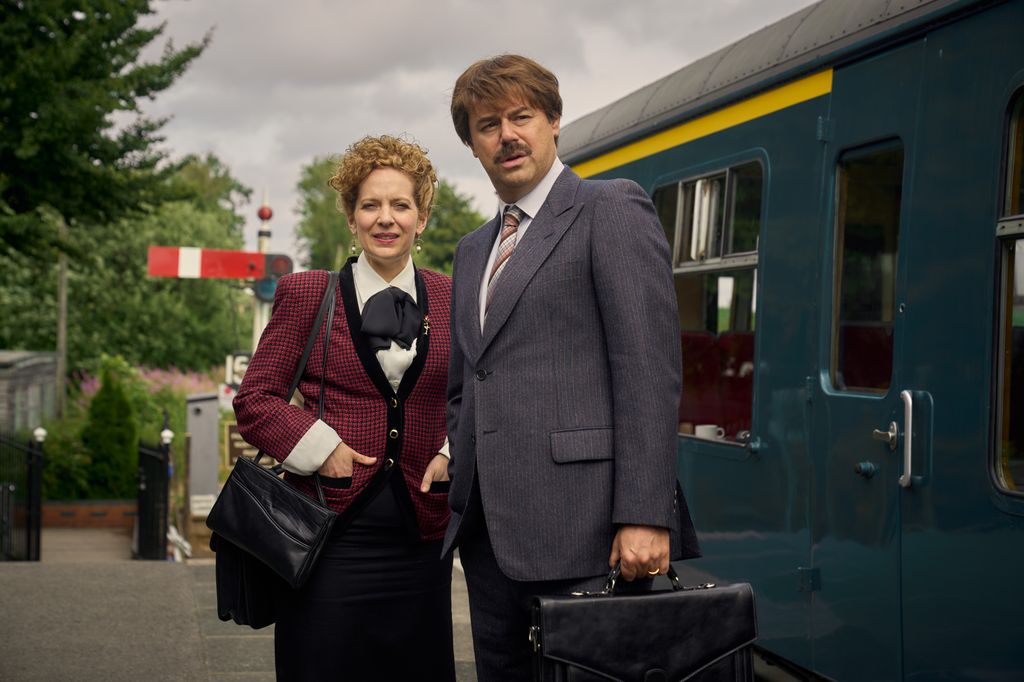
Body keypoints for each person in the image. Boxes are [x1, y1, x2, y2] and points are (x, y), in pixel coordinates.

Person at [443, 55, 702, 679]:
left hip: (586, 532)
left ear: (554, 122)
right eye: (487, 125)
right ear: (473, 146)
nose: (506, 134)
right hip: (487, 538)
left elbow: (646, 369)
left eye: (521, 116)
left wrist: (644, 514)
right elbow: (465, 385)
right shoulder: (472, 249)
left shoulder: (608, 208)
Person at [234, 135, 455, 681]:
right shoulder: (308, 293)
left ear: (421, 217)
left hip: (422, 535)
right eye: (370, 205)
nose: (386, 219)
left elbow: (481, 393)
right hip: (326, 533)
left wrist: (456, 449)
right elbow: (255, 400)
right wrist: (321, 446)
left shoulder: (453, 297)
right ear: (352, 217)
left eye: (401, 205)